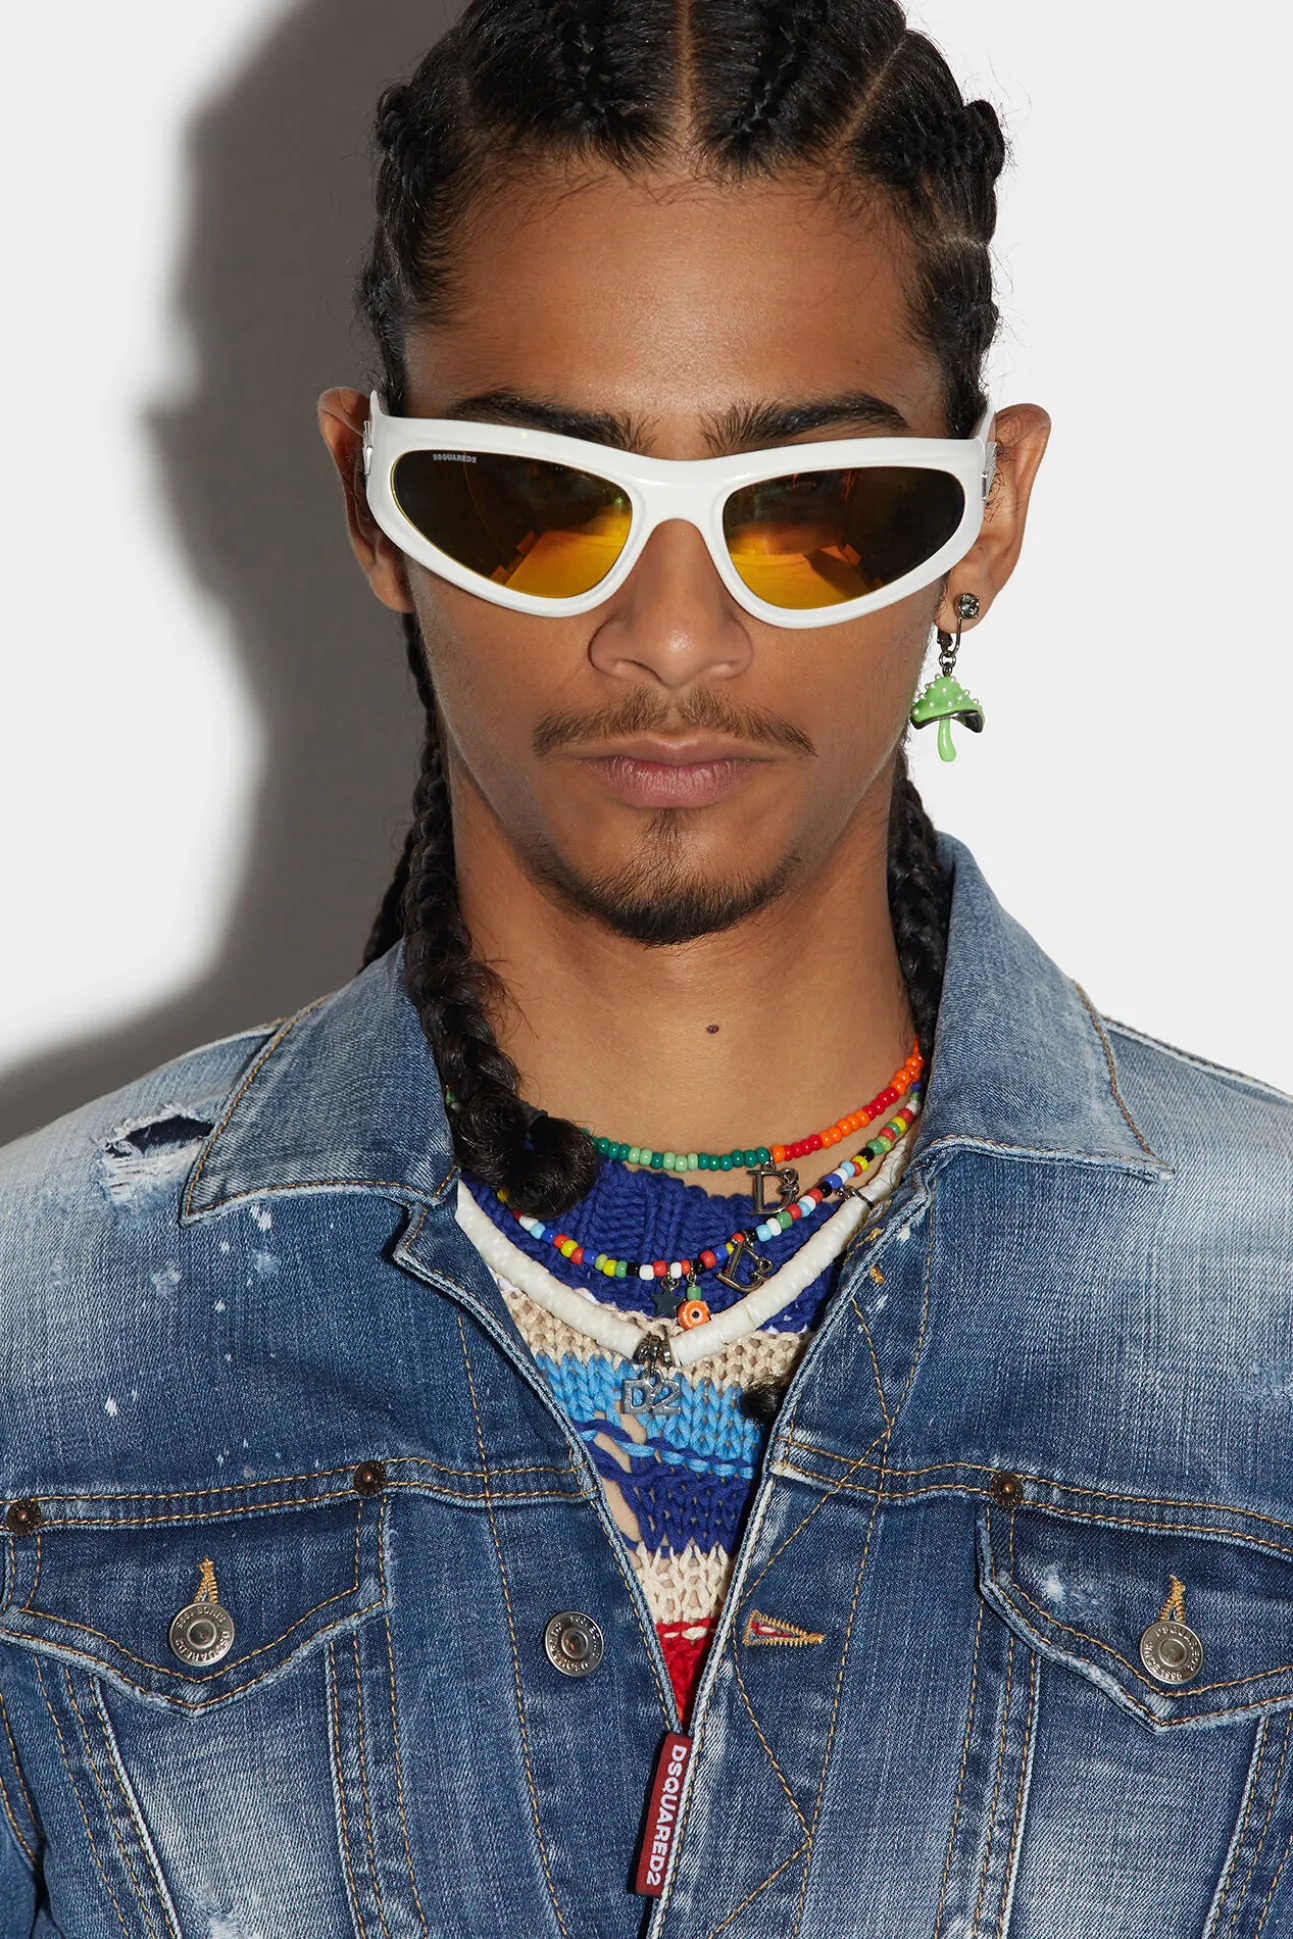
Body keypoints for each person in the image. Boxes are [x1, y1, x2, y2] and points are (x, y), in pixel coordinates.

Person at [2, 1, 1291, 1933]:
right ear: (375, 497)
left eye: (816, 510)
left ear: (987, 517)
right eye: (537, 500)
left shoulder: (1267, 1349)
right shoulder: (42, 1349)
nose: (669, 633)